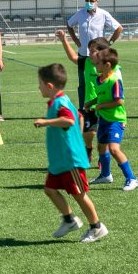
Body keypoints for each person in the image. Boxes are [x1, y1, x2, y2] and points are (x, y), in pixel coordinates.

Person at [32, 63, 108, 243]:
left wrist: (46, 122)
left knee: (78, 194)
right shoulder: (57, 100)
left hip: (70, 160)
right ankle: (69, 219)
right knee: (50, 189)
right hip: (60, 160)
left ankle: (97, 227)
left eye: (40, 84)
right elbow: (80, 117)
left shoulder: (60, 102)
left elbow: (69, 120)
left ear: (49, 86)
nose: (39, 87)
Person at [55, 30, 111, 163]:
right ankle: (88, 147)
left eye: (92, 51)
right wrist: (64, 40)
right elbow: (73, 57)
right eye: (89, 50)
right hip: (89, 106)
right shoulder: (86, 62)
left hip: (104, 105)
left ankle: (103, 160)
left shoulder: (108, 67)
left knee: (104, 136)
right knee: (89, 133)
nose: (89, 53)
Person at [87, 49, 138, 191]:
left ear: (107, 65)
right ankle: (105, 175)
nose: (95, 65)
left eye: (98, 63)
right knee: (101, 147)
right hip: (104, 119)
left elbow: (119, 101)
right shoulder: (99, 79)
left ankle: (132, 178)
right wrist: (91, 102)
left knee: (114, 149)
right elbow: (101, 96)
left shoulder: (114, 81)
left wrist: (100, 105)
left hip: (116, 120)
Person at [65, 0, 121, 115]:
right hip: (83, 54)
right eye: (87, 0)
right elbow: (69, 24)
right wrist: (76, 40)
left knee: (98, 81)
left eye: (91, 1)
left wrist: (109, 44)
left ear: (97, 1)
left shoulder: (103, 14)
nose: (88, 2)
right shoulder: (80, 14)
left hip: (98, 56)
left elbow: (118, 28)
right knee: (83, 84)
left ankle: (99, 107)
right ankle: (82, 109)